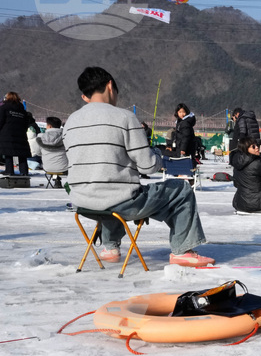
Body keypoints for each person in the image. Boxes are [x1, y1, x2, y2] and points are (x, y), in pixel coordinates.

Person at [62, 66, 214, 267]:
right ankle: (182, 250)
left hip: (82, 203)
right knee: (181, 190)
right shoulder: (124, 117)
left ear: (85, 96)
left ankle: (110, 247)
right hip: (120, 202)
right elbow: (148, 166)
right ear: (110, 86)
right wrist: (159, 155)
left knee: (107, 186)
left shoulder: (71, 121)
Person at [0, 92, 35, 176]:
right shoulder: (22, 110)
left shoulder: (3, 108)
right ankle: (24, 172)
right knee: (22, 155)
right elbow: (26, 123)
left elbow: (0, 121)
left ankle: (9, 171)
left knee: (8, 154)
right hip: (20, 134)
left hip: (7, 134)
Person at [37, 116, 68, 186]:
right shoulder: (66, 136)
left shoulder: (40, 138)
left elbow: (38, 153)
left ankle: (56, 178)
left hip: (47, 168)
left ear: (49, 126)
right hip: (64, 167)